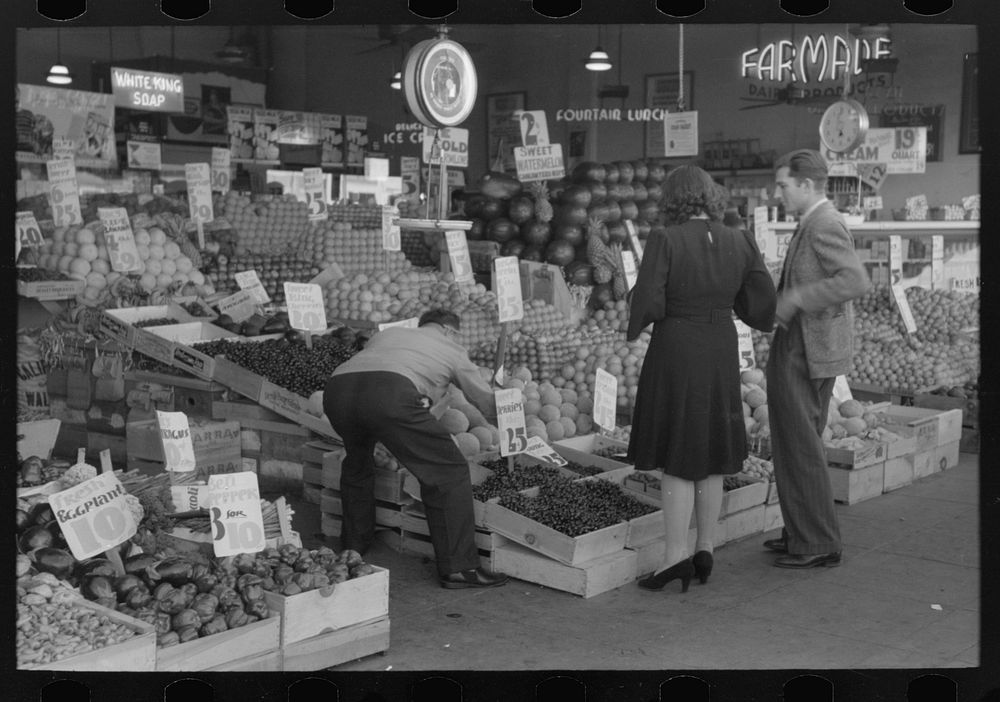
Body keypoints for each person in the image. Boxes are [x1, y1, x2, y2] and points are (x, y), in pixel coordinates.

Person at [626, 165, 777, 592]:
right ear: (709, 196)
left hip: (676, 346)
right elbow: (762, 300)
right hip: (720, 344)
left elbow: (650, 300)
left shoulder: (665, 238)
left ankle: (674, 556)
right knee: (710, 448)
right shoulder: (739, 237)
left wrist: (635, 307)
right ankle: (705, 546)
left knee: (677, 449)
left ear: (672, 199)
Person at [322, 309, 509, 589]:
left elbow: (379, 373)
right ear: (450, 330)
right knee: (448, 470)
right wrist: (513, 418)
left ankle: (353, 547)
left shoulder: (390, 333)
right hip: (391, 393)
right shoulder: (452, 348)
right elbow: (485, 403)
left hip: (337, 392)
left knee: (357, 462)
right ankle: (460, 568)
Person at [764, 149, 871, 568]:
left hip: (807, 347)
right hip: (809, 344)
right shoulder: (812, 222)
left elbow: (854, 279)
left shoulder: (824, 223)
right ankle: (800, 532)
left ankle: (817, 541)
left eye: (783, 185)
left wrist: (797, 298)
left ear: (806, 185)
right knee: (796, 440)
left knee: (800, 443)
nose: (778, 193)